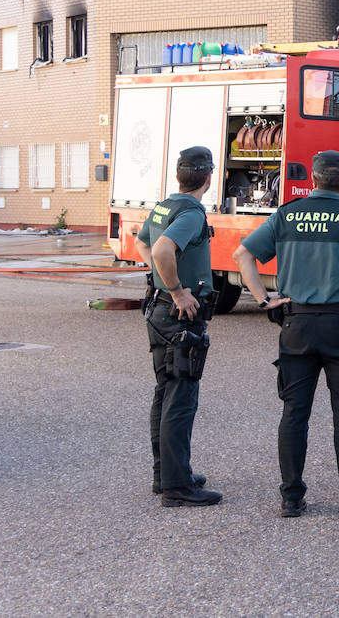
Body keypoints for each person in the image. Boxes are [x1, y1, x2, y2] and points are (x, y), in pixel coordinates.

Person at [233, 151, 339, 518]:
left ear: (312, 178)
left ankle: (291, 498)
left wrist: (264, 301)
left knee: (295, 412)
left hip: (296, 324)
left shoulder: (287, 214)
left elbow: (242, 254)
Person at [135, 146, 223, 507]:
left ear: (178, 176)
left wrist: (161, 283)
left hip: (158, 312)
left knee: (166, 393)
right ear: (208, 177)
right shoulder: (191, 212)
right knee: (180, 400)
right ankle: (177, 487)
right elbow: (160, 251)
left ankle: (167, 474)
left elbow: (143, 243)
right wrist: (177, 290)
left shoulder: (165, 205)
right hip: (178, 317)